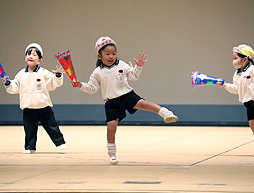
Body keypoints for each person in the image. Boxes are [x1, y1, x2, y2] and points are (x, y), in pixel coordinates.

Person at [75, 36, 178, 164]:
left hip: (127, 95)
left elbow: (133, 76)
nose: (111, 56)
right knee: (111, 128)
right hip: (111, 102)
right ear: (99, 56)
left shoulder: (121, 65)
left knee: (144, 104)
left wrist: (138, 67)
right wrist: (80, 85)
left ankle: (166, 113)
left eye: (114, 53)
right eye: (107, 54)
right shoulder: (97, 72)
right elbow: (91, 88)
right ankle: (112, 154)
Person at [3, 43, 66, 154]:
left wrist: (58, 76)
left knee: (51, 126)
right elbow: (15, 86)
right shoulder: (21, 74)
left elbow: (53, 83)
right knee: (29, 129)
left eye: (34, 55)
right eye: (28, 54)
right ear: (25, 57)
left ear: (40, 59)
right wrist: (8, 83)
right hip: (28, 107)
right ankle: (30, 147)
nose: (31, 56)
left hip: (43, 106)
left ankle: (60, 142)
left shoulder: (44, 73)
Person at [220, 44, 254, 156]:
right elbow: (236, 89)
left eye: (236, 58)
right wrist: (225, 85)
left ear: (245, 59)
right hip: (248, 103)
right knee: (252, 124)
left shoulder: (253, 70)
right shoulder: (236, 74)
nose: (234, 61)